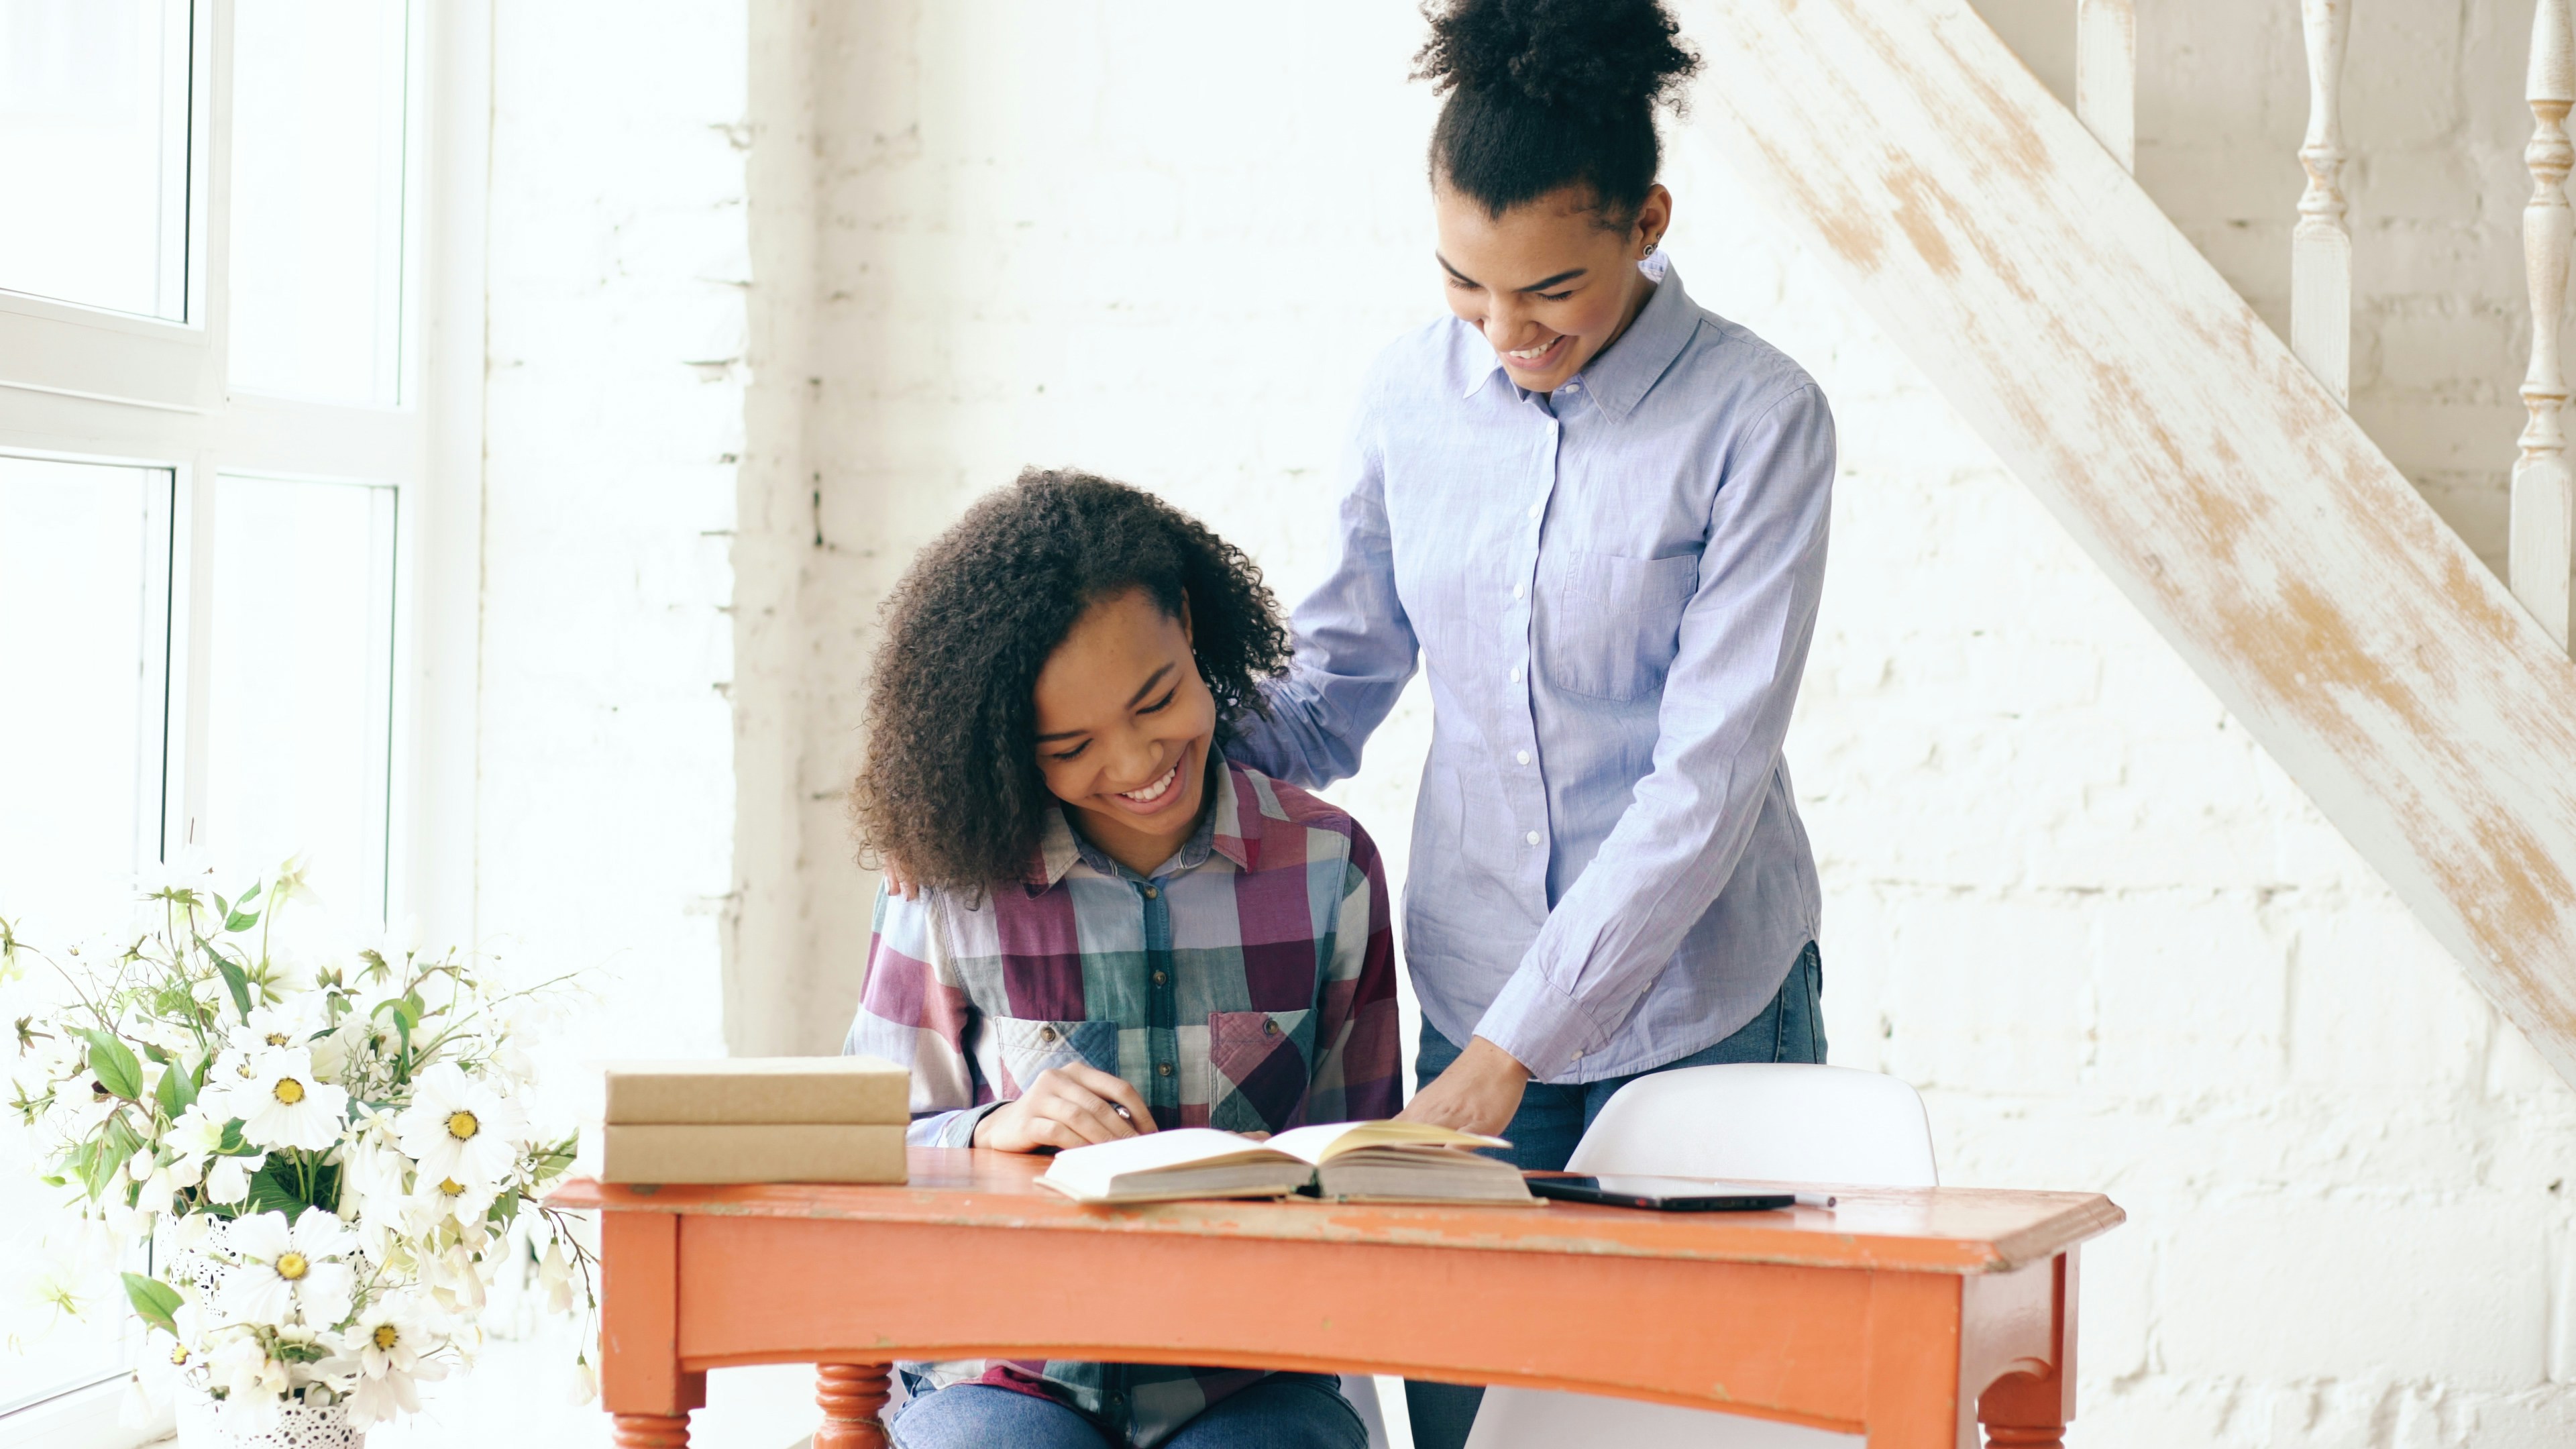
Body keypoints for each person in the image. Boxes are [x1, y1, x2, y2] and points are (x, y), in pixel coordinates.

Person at [1221, 3, 1835, 1442]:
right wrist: (1142, 714)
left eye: (1552, 288)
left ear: (1646, 223)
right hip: (1477, 982)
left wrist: (1515, 1048)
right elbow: (1327, 699)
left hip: (1705, 1011)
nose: (1508, 334)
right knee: (1468, 1419)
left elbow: (1706, 785)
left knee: (1696, 1419)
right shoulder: (1406, 399)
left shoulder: (1760, 417)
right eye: (1465, 286)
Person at [843, 469, 1397, 1449]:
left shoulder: (1330, 867)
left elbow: (1371, 1158)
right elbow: (861, 1141)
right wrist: (991, 1128)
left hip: (1248, 1380)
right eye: (1073, 745)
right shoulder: (948, 884)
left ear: (1190, 625)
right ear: (1009, 744)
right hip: (1004, 1375)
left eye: (1157, 701)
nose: (1139, 765)